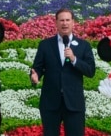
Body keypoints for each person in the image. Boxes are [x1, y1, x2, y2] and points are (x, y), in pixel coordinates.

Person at [30, 8, 96, 136]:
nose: (64, 23)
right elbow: (37, 67)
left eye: (67, 20)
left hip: (74, 103)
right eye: (61, 20)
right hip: (50, 103)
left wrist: (74, 59)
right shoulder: (45, 45)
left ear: (73, 22)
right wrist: (35, 75)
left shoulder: (84, 46)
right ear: (56, 23)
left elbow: (90, 71)